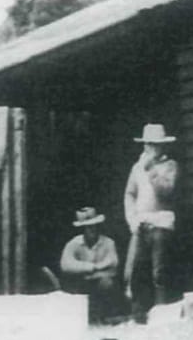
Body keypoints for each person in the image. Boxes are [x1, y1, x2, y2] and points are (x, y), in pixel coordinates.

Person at [123, 123, 180, 323]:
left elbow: (166, 190)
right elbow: (129, 194)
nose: (152, 148)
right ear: (144, 145)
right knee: (135, 270)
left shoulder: (170, 165)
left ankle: (162, 313)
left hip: (161, 224)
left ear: (163, 146)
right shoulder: (136, 168)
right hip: (141, 224)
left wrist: (151, 171)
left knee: (159, 271)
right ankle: (138, 314)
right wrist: (131, 217)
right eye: (149, 144)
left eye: (156, 145)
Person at [59, 206, 120, 324]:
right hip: (80, 282)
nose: (93, 230)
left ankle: (105, 318)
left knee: (107, 283)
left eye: (95, 226)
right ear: (83, 229)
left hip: (99, 282)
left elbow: (113, 264)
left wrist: (92, 273)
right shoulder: (73, 244)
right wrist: (91, 267)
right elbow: (66, 265)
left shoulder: (109, 243)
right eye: (88, 227)